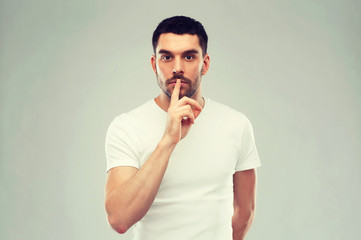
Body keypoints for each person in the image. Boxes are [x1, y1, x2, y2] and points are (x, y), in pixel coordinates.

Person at [104, 16, 261, 240]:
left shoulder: (236, 124)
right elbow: (119, 219)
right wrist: (168, 141)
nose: (177, 68)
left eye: (188, 56)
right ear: (153, 64)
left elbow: (244, 212)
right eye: (167, 57)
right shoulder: (127, 126)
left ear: (204, 64)